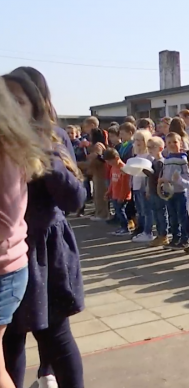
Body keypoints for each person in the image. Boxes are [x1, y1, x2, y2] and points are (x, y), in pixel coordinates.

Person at [3, 69, 86, 388]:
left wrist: (44, 154)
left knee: (55, 335)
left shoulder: (52, 137)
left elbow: (75, 198)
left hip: (45, 252)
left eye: (19, 100)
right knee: (10, 339)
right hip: (8, 252)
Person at [0, 80, 47, 388]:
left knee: (54, 335)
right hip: (14, 262)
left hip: (9, 264)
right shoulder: (13, 145)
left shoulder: (9, 148)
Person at [158, 132, 189, 250]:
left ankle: (185, 238)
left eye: (175, 142)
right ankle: (175, 237)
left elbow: (187, 176)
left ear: (180, 143)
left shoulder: (183, 159)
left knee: (182, 216)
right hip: (169, 192)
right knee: (172, 216)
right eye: (169, 142)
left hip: (180, 191)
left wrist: (172, 180)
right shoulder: (167, 159)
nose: (172, 145)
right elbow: (165, 172)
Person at [130, 129, 155, 243]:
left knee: (147, 210)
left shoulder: (149, 156)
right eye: (136, 139)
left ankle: (148, 231)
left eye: (141, 139)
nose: (138, 142)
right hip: (136, 186)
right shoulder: (136, 155)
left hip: (145, 186)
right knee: (140, 210)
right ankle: (141, 230)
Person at [145, 136, 169, 247]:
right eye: (148, 147)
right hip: (153, 191)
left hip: (159, 192)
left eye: (152, 147)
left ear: (160, 148)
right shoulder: (153, 161)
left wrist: (148, 172)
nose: (149, 149)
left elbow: (157, 176)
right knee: (156, 213)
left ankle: (163, 235)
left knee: (161, 214)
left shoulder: (161, 162)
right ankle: (160, 234)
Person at [104, 149, 132, 236]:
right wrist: (109, 192)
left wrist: (122, 196)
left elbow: (126, 185)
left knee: (121, 211)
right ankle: (122, 227)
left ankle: (125, 227)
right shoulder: (113, 168)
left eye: (110, 161)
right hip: (115, 194)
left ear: (116, 158)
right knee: (118, 211)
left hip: (122, 195)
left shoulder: (123, 168)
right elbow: (112, 182)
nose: (109, 164)